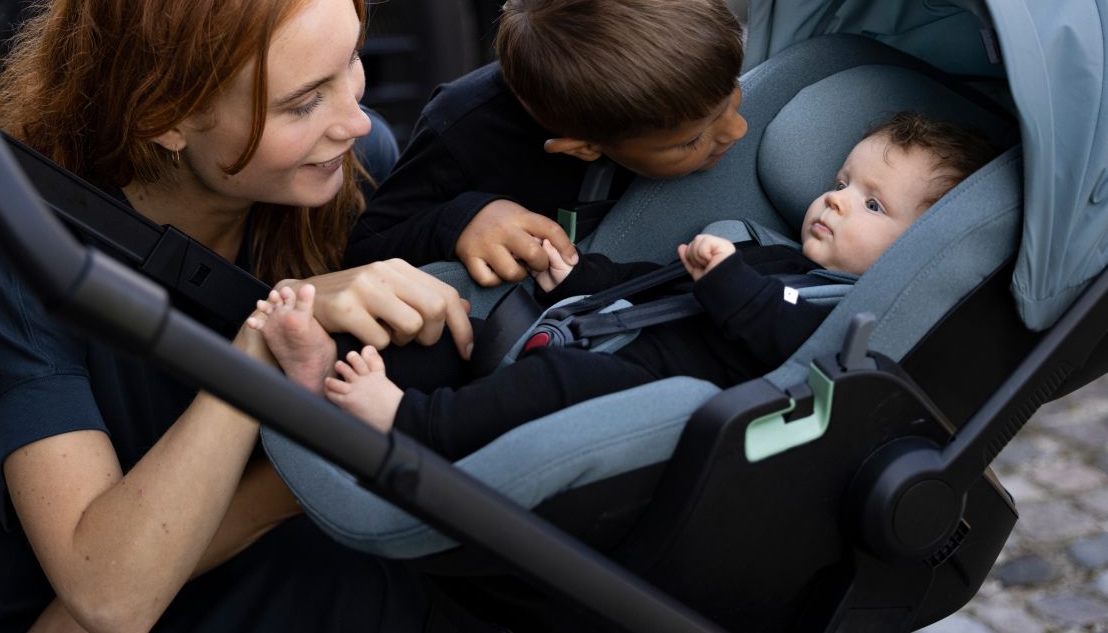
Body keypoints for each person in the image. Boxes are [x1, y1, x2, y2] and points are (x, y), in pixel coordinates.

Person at [0, 0, 473, 632]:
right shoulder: (20, 248)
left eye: (352, 63)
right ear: (165, 118)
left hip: (207, 553)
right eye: (303, 102)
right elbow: (108, 593)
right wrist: (268, 353)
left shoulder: (347, 164)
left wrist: (472, 217)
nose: (354, 117)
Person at [254, 113, 998, 459]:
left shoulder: (846, 311)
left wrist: (731, 283)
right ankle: (321, 365)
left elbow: (791, 341)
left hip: (649, 387)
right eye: (841, 181)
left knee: (548, 384)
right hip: (603, 324)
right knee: (468, 317)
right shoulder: (770, 252)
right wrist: (582, 275)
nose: (835, 199)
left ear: (921, 249)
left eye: (872, 204)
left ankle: (411, 423)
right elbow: (656, 284)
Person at [344, 0, 748, 286]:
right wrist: (461, 220)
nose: (737, 130)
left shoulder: (686, 82)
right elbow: (364, 251)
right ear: (582, 149)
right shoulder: (462, 130)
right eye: (693, 138)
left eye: (731, 93)